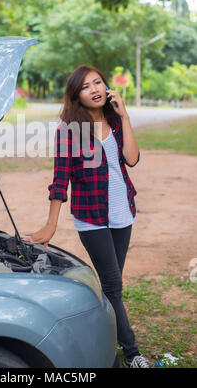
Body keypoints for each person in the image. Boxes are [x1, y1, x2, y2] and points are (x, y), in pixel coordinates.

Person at [22, 65, 150, 369]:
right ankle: (132, 353)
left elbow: (132, 159)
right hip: (91, 216)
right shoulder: (69, 129)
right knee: (113, 285)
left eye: (98, 82)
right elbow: (60, 176)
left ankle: (101, 336)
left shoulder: (116, 121)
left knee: (110, 287)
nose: (94, 89)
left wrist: (126, 117)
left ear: (106, 87)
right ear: (75, 95)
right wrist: (50, 224)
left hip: (122, 211)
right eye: (85, 86)